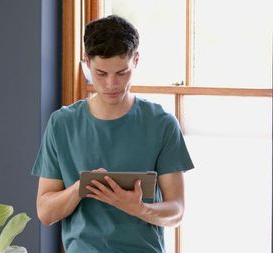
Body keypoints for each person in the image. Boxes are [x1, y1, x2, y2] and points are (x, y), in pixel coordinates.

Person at [31, 15, 194, 253]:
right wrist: (79, 189)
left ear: (135, 60)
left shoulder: (162, 124)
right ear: (86, 62)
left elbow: (176, 211)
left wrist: (138, 208)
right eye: (101, 73)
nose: (111, 84)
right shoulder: (62, 124)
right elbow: (45, 213)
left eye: (122, 72)